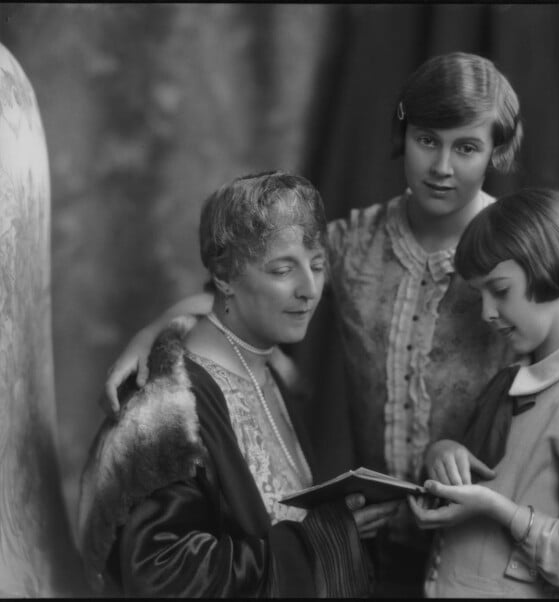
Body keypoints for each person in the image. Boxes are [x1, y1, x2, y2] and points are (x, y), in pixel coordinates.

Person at [102, 52, 523, 596]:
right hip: (381, 541)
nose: (441, 166)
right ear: (404, 135)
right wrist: (155, 328)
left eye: (466, 147)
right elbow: (242, 281)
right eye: (426, 140)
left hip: (481, 533)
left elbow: (554, 370)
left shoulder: (516, 249)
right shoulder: (356, 243)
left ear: (495, 152)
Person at [77, 171, 401, 597]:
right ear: (226, 276)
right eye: (283, 269)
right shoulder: (165, 407)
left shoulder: (268, 365)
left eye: (318, 265)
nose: (309, 289)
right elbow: (160, 575)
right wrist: (320, 543)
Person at [407, 188, 559, 598]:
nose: (486, 312)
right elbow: (492, 475)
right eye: (480, 294)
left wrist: (499, 510)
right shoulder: (511, 379)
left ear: (549, 266)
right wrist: (442, 454)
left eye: (499, 290)